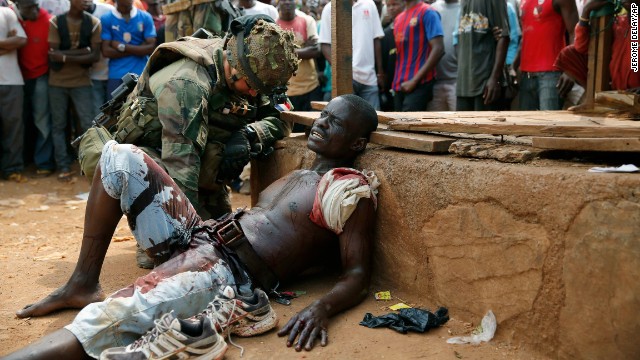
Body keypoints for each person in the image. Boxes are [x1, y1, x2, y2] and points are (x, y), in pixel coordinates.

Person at [8, 94, 379, 359]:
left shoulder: (348, 187)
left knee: (109, 317)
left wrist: (322, 308)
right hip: (197, 236)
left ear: (357, 142)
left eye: (336, 123)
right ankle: (83, 282)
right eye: (324, 114)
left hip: (227, 272)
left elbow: (358, 273)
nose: (322, 123)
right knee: (119, 157)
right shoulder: (299, 172)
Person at [48, 0, 102, 181]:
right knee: (59, 125)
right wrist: (82, 52)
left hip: (82, 82)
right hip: (57, 82)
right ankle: (63, 166)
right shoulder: (56, 22)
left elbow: (94, 56)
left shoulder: (93, 23)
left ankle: (88, 166)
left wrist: (63, 56)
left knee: (87, 125)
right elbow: (52, 55)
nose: (87, 1)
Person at [554, 0, 640, 93]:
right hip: (619, 95)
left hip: (636, 94)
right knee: (569, 52)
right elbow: (581, 47)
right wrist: (586, 11)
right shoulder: (616, 23)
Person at [318, 0, 386, 110]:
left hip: (369, 77)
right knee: (346, 119)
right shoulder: (329, 8)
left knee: (374, 120)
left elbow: (376, 39)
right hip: (345, 78)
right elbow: (325, 45)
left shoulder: (369, 4)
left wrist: (380, 72)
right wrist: (342, 71)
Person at [16, 0, 55, 176]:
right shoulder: (13, 18)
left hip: (41, 75)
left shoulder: (48, 20)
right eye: (28, 7)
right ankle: (24, 160)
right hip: (18, 76)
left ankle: (44, 162)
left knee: (42, 121)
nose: (34, 10)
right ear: (19, 7)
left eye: (35, 6)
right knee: (21, 121)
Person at [517, 0, 578, 110]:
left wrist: (571, 69)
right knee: (525, 124)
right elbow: (526, 35)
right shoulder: (523, 1)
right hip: (526, 74)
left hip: (551, 74)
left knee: (549, 124)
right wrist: (514, 66)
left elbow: (575, 32)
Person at [455, 0, 510, 111]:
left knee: (486, 126)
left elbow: (503, 37)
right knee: (461, 127)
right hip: (464, 83)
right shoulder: (463, 2)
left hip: (485, 84)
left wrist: (495, 79)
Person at [391, 0, 444, 111]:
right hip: (399, 85)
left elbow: (439, 49)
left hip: (419, 84)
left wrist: (414, 81)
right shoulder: (398, 18)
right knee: (396, 126)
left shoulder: (428, 12)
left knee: (408, 126)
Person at [100, 0, 156, 98]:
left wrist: (121, 46)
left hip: (141, 73)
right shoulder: (106, 19)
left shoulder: (145, 17)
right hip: (116, 75)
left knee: (142, 109)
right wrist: (139, 49)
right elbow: (106, 51)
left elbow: (150, 48)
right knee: (115, 110)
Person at [276, 0, 322, 116]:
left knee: (312, 126)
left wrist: (284, 52)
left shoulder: (307, 20)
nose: (287, 2)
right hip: (284, 93)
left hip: (310, 88)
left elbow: (316, 50)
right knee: (289, 129)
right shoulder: (273, 25)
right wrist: (304, 49)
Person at [0, 4, 27, 183]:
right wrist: (5, 45)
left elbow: (20, 40)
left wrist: (11, 43)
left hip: (11, 80)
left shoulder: (6, 12)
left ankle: (12, 169)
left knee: (13, 127)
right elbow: (13, 42)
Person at [428, 0, 459, 111]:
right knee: (435, 125)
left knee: (459, 123)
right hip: (435, 81)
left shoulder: (465, 8)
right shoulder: (433, 8)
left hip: (458, 81)